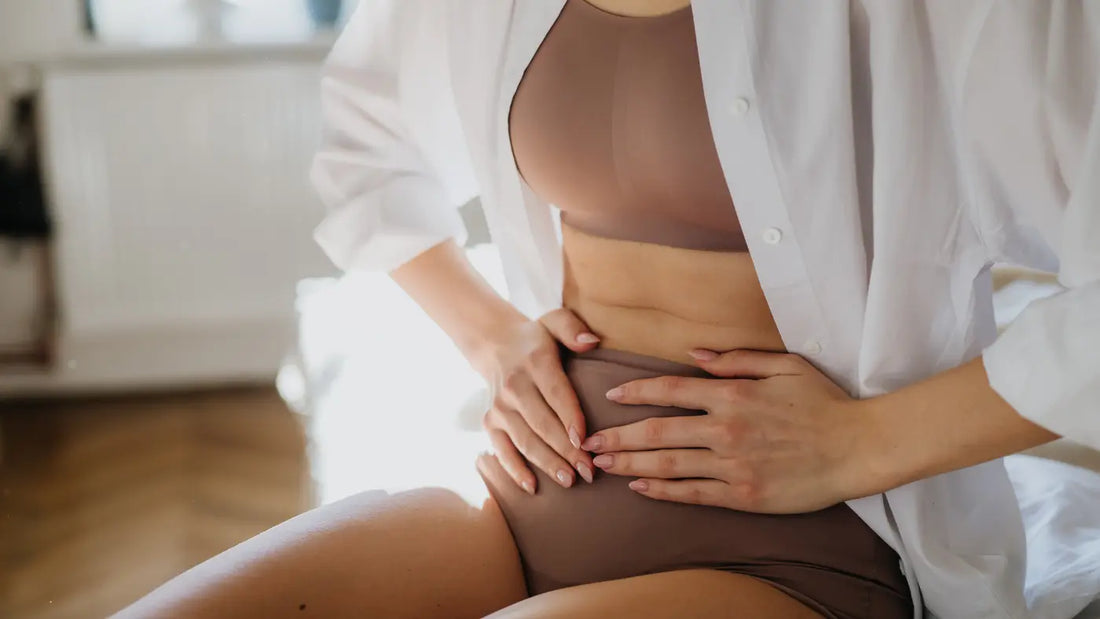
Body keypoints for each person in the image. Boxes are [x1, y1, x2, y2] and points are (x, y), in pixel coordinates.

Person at [118, 1, 1099, 617]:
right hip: (518, 503)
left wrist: (859, 444)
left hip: (796, 548)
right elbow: (364, 148)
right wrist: (495, 339)